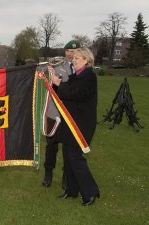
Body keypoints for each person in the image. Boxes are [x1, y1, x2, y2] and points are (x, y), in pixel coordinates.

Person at [49, 47, 100, 206]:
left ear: (87, 60)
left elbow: (78, 95)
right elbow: (64, 94)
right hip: (71, 123)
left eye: (78, 58)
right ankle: (71, 191)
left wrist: (60, 84)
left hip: (82, 125)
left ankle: (91, 192)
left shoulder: (89, 76)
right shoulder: (75, 76)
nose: (74, 60)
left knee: (75, 158)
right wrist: (54, 81)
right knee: (68, 156)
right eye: (74, 58)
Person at [42, 40, 81, 188]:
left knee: (68, 147)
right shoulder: (57, 64)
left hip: (71, 114)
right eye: (68, 51)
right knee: (51, 145)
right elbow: (42, 72)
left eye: (74, 51)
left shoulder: (81, 68)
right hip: (54, 112)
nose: (70, 54)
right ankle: (48, 174)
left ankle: (66, 176)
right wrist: (46, 70)